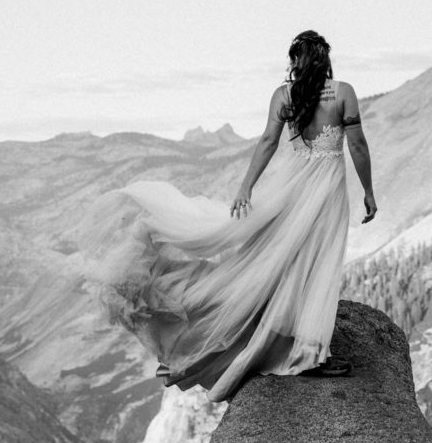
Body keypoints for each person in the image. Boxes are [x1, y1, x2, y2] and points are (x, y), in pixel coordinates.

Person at [76, 30, 377, 403]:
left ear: (295, 61)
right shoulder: (343, 91)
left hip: (292, 189)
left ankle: (296, 342)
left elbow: (268, 141)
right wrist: (368, 191)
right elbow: (358, 145)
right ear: (325, 58)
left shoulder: (285, 95)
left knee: (283, 260)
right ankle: (309, 352)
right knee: (318, 263)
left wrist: (247, 187)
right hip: (327, 190)